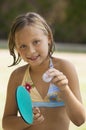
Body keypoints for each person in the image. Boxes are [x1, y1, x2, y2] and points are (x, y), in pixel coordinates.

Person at [2, 12, 85, 130]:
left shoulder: (64, 68)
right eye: (23, 46)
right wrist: (27, 120)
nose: (31, 51)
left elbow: (80, 120)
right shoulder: (17, 76)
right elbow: (6, 123)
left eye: (36, 42)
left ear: (49, 39)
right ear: (16, 48)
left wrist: (64, 89)